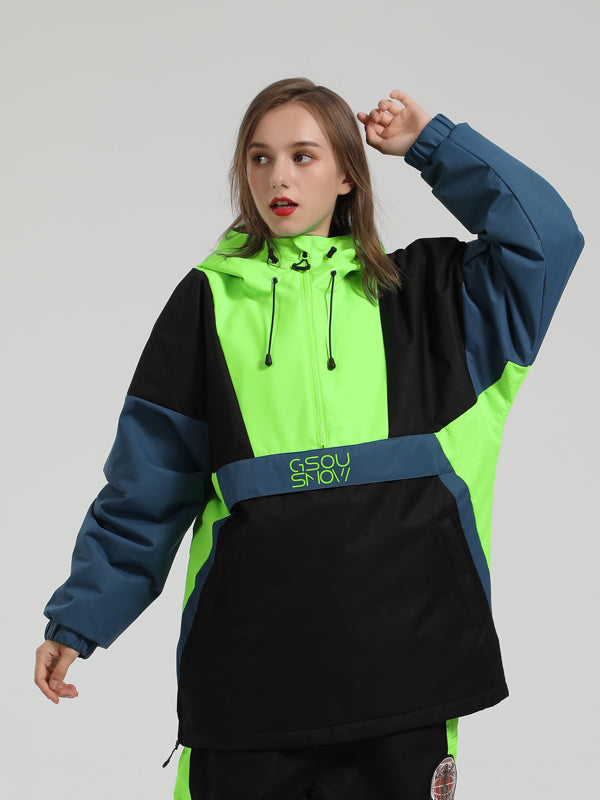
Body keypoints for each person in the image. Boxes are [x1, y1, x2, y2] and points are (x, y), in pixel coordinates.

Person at [34, 78, 584, 800]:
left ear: (348, 173)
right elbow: (150, 481)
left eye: (303, 155)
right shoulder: (207, 303)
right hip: (249, 681)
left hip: (408, 674)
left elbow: (546, 239)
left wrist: (434, 145)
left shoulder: (434, 299)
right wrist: (81, 617)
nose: (278, 178)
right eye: (259, 158)